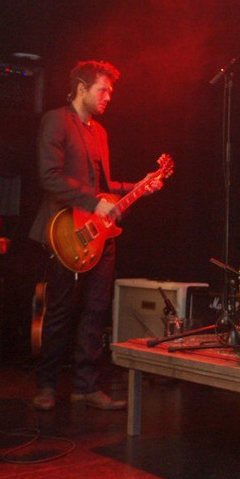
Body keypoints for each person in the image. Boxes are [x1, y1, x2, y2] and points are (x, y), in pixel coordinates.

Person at [29, 60, 148, 411]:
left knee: (96, 310)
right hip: (65, 230)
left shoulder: (100, 132)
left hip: (98, 234)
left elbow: (103, 188)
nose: (108, 96)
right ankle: (46, 386)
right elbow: (49, 176)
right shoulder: (56, 121)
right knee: (60, 310)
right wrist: (93, 202)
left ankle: (86, 386)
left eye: (110, 91)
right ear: (81, 89)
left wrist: (138, 187)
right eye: (103, 90)